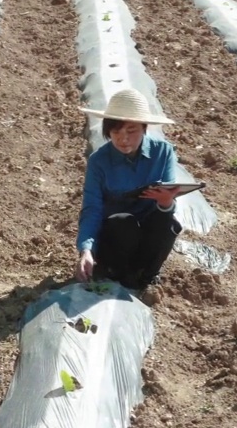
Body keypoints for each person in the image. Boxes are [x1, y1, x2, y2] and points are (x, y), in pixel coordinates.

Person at [74, 88, 184, 292]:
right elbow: (92, 210)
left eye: (131, 131)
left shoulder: (163, 152)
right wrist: (86, 250)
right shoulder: (99, 162)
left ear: (144, 128)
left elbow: (168, 199)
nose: (123, 139)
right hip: (115, 241)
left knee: (168, 223)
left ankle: (148, 276)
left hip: (147, 237)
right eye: (116, 132)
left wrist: (166, 201)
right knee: (123, 222)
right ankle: (120, 274)